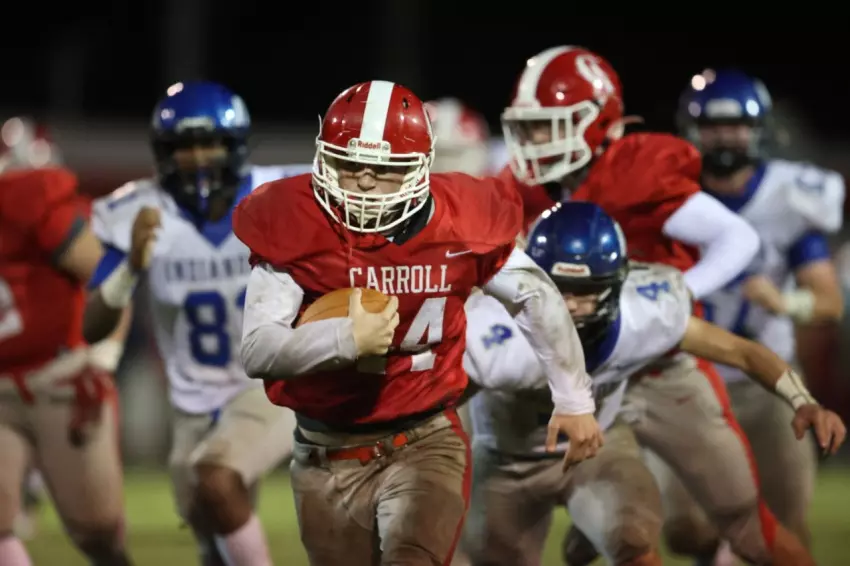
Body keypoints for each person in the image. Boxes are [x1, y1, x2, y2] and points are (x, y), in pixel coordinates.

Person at [232, 79, 602, 566]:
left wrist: (573, 398)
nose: (364, 182)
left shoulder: (460, 221)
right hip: (325, 449)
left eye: (385, 170)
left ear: (421, 168)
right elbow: (258, 349)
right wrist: (345, 338)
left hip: (425, 438)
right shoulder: (297, 222)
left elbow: (534, 294)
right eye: (348, 165)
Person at [462, 202, 845, 566]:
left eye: (586, 291)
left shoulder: (644, 310)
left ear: (616, 284)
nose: (571, 306)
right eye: (557, 289)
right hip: (508, 462)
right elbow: (439, 401)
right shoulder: (495, 334)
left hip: (599, 450)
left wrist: (802, 400)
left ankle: (592, 531)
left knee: (636, 544)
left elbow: (740, 352)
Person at [82, 81, 307, 566]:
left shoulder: (281, 194)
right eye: (185, 147)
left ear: (236, 146)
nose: (199, 158)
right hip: (190, 405)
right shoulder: (138, 211)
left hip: (267, 385)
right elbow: (92, 326)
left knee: (216, 482)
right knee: (212, 540)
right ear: (164, 152)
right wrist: (130, 268)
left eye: (211, 144)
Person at [657, 69, 846, 566]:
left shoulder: (787, 199)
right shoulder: (671, 195)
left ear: (758, 130)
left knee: (788, 530)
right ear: (692, 131)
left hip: (768, 384)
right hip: (692, 381)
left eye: (736, 126)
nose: (725, 137)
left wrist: (786, 303)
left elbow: (828, 301)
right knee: (683, 529)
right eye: (712, 126)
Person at [499, 45, 759, 300]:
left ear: (597, 122)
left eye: (545, 124)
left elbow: (738, 237)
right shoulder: (524, 186)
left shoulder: (632, 172)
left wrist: (674, 299)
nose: (533, 139)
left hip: (649, 328)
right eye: (526, 127)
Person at [0, 160, 132, 565]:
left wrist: (104, 357)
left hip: (56, 379)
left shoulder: (23, 198)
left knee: (96, 528)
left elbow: (108, 280)